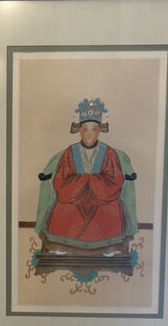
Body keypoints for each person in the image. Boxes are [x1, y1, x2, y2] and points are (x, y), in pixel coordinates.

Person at [36, 98, 137, 257]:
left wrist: (91, 183)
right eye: (85, 129)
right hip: (73, 196)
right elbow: (60, 181)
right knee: (63, 207)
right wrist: (83, 183)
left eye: (94, 129)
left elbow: (115, 180)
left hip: (102, 198)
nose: (89, 134)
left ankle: (108, 246)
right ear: (79, 130)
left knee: (111, 207)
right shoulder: (70, 152)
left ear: (99, 130)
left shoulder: (109, 153)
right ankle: (62, 243)